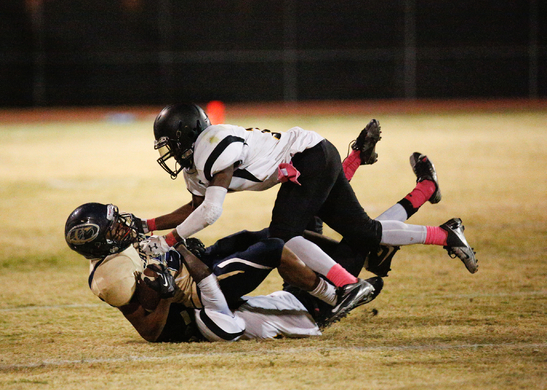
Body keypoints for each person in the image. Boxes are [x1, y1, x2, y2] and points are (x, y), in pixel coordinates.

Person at [138, 104, 477, 304]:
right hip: (309, 162)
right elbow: (197, 207)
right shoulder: (198, 164)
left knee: (283, 234)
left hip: (308, 158)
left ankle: (346, 287)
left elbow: (212, 211)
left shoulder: (211, 145)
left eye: (170, 144)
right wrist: (148, 225)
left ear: (189, 134)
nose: (168, 153)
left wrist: (170, 240)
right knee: (363, 232)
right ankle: (446, 234)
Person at [64, 203, 383, 343]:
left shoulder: (117, 251)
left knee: (260, 235)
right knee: (271, 248)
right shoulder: (112, 277)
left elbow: (164, 260)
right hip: (196, 297)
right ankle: (335, 295)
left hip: (189, 276)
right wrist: (165, 294)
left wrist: (178, 248)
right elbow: (150, 330)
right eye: (113, 228)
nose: (121, 227)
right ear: (98, 243)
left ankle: (344, 265)